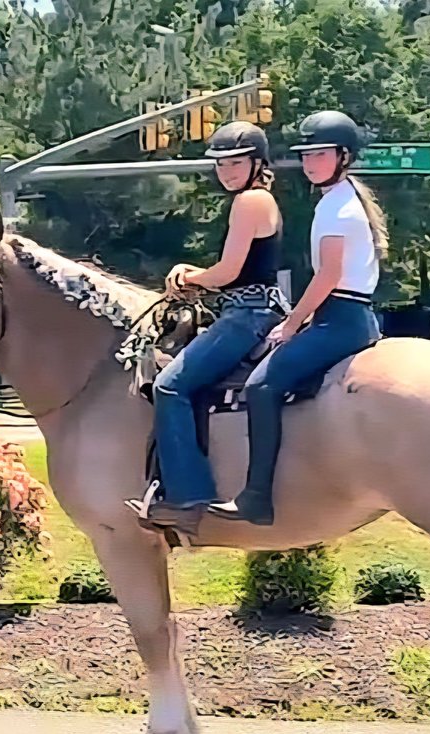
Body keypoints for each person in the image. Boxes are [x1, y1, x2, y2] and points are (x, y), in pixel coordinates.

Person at [209, 110, 389, 526]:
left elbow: (328, 274)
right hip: (349, 314)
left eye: (320, 155)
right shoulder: (341, 200)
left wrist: (292, 324)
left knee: (261, 385)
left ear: (344, 156)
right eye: (306, 156)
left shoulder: (336, 208)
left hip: (340, 318)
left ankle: (256, 497)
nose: (310, 163)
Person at [139, 121, 288, 535]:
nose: (226, 170)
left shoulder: (249, 202)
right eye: (221, 163)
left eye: (236, 162)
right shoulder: (263, 200)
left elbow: (228, 271)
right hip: (253, 309)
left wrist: (187, 277)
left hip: (247, 314)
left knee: (170, 385)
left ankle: (187, 497)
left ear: (257, 163)